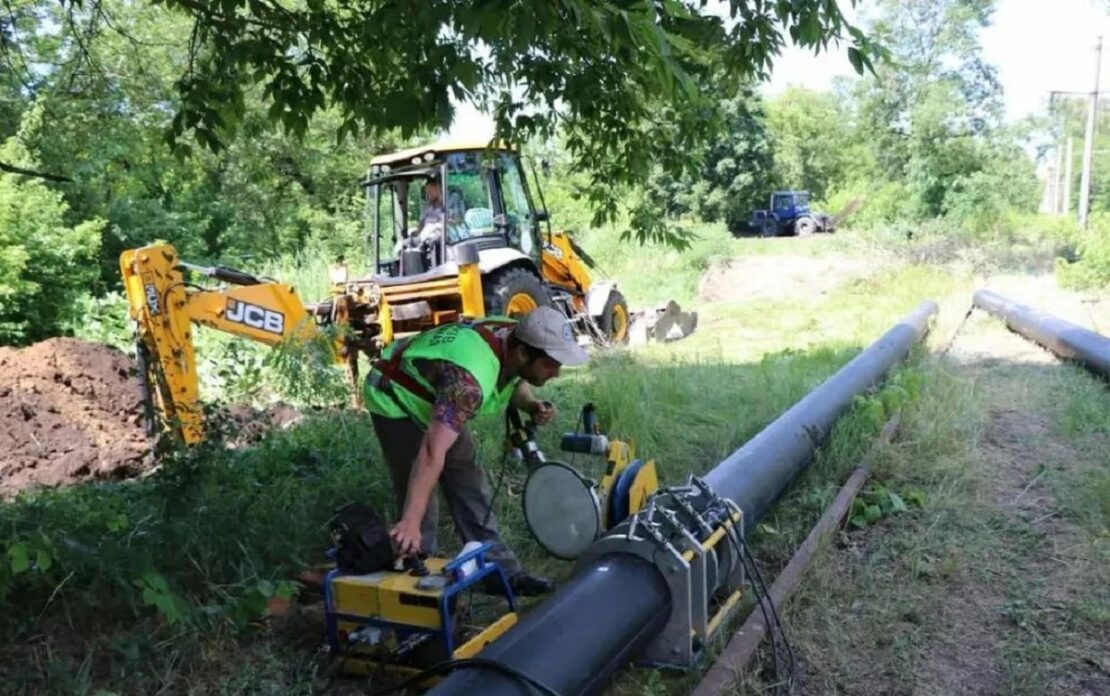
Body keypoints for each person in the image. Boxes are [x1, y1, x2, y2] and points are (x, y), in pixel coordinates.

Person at [364, 306, 588, 596]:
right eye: (550, 364)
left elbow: (512, 378)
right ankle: (416, 585)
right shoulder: (468, 385)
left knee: (469, 483)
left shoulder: (515, 336)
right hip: (396, 395)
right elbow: (432, 452)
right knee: (421, 501)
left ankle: (501, 574)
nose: (557, 372)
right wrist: (410, 520)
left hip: (441, 397)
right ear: (523, 352)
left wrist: (531, 405)